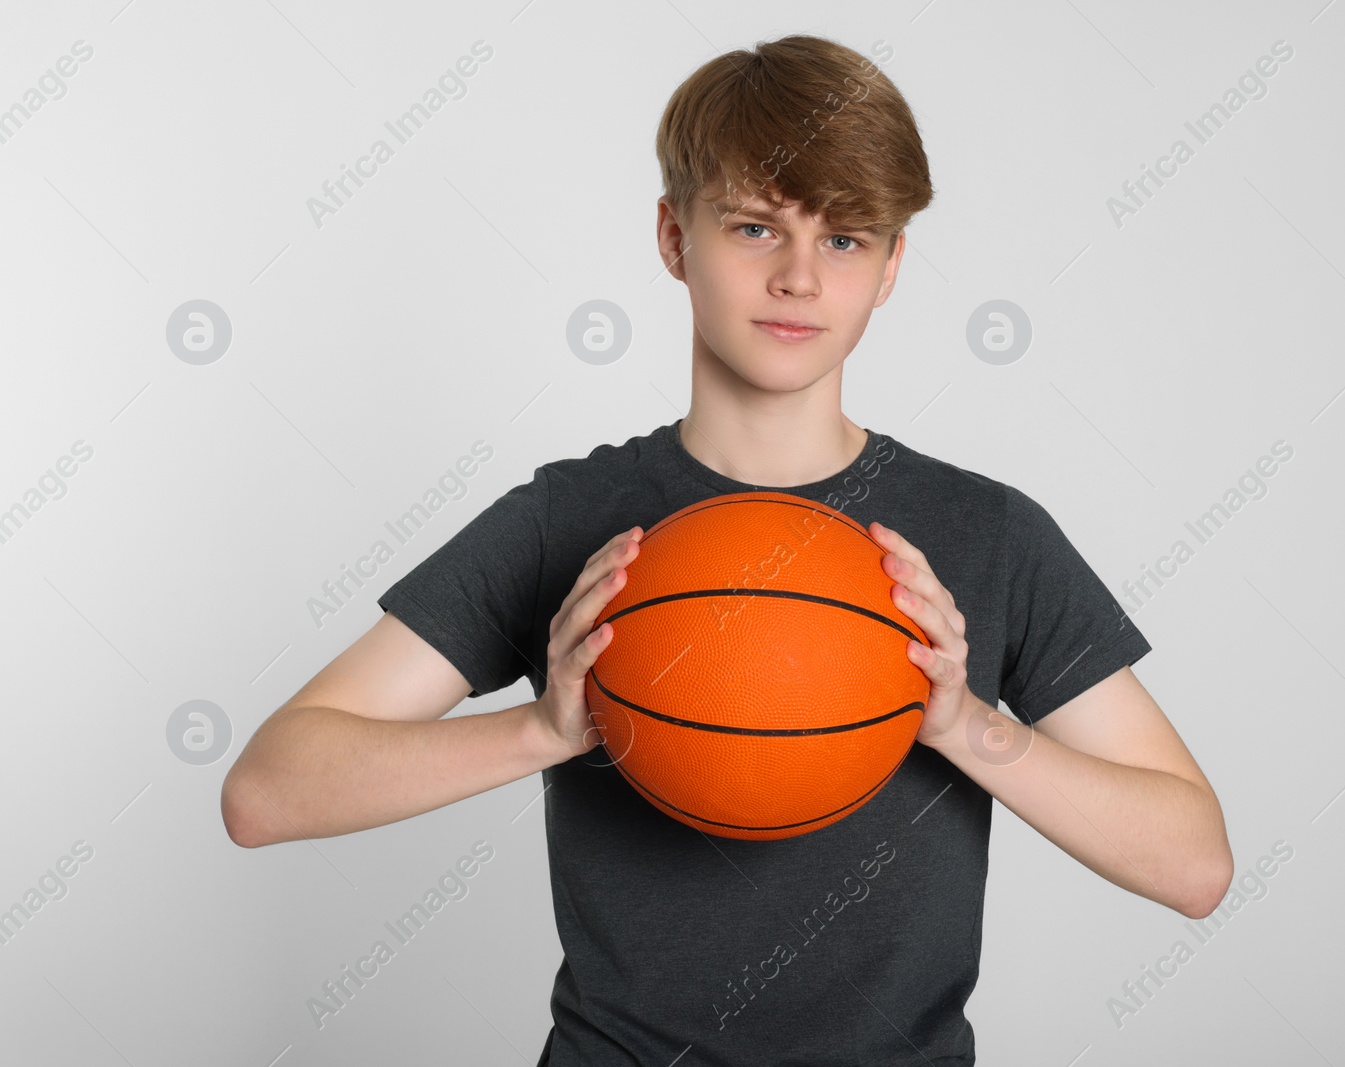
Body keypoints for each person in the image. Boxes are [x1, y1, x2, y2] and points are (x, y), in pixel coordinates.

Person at [221, 33, 1231, 1065]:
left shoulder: (986, 532)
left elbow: (1192, 861)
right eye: (754, 227)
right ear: (673, 237)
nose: (798, 276)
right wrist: (544, 728)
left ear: (890, 267)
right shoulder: (570, 519)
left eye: (845, 239)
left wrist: (969, 727)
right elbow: (266, 790)